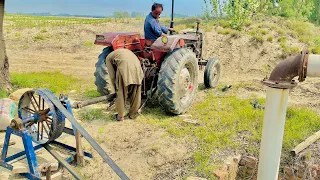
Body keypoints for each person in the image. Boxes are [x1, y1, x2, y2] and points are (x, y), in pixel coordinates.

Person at [105, 48, 144, 121]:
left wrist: (116, 87)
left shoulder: (108, 58)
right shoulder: (121, 52)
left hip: (125, 66)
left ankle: (120, 117)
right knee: (136, 92)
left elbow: (112, 76)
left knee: (121, 93)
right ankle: (133, 114)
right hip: (137, 66)